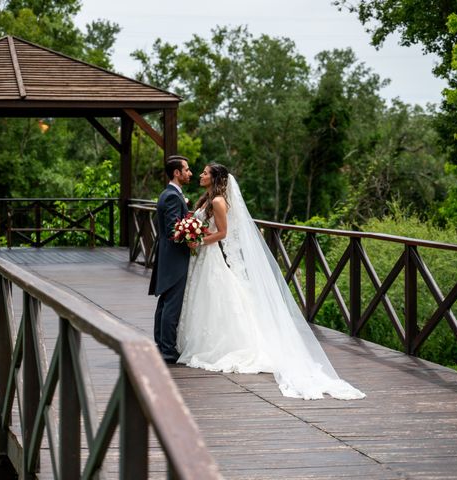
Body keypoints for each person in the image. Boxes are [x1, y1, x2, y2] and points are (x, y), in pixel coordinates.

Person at [176, 163, 365, 400]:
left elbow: (223, 233)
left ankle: (221, 344)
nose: (201, 175)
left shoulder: (218, 202)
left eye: (205, 173)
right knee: (204, 297)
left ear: (215, 178)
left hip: (211, 253)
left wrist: (200, 241)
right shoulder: (207, 199)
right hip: (204, 256)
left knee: (216, 296)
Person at [149, 156, 194, 364]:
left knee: (165, 302)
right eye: (186, 169)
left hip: (169, 257)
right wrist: (194, 235)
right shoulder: (172, 197)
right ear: (177, 173)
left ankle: (161, 345)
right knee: (172, 305)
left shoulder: (170, 194)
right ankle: (167, 350)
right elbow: (172, 230)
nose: (189, 173)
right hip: (174, 258)